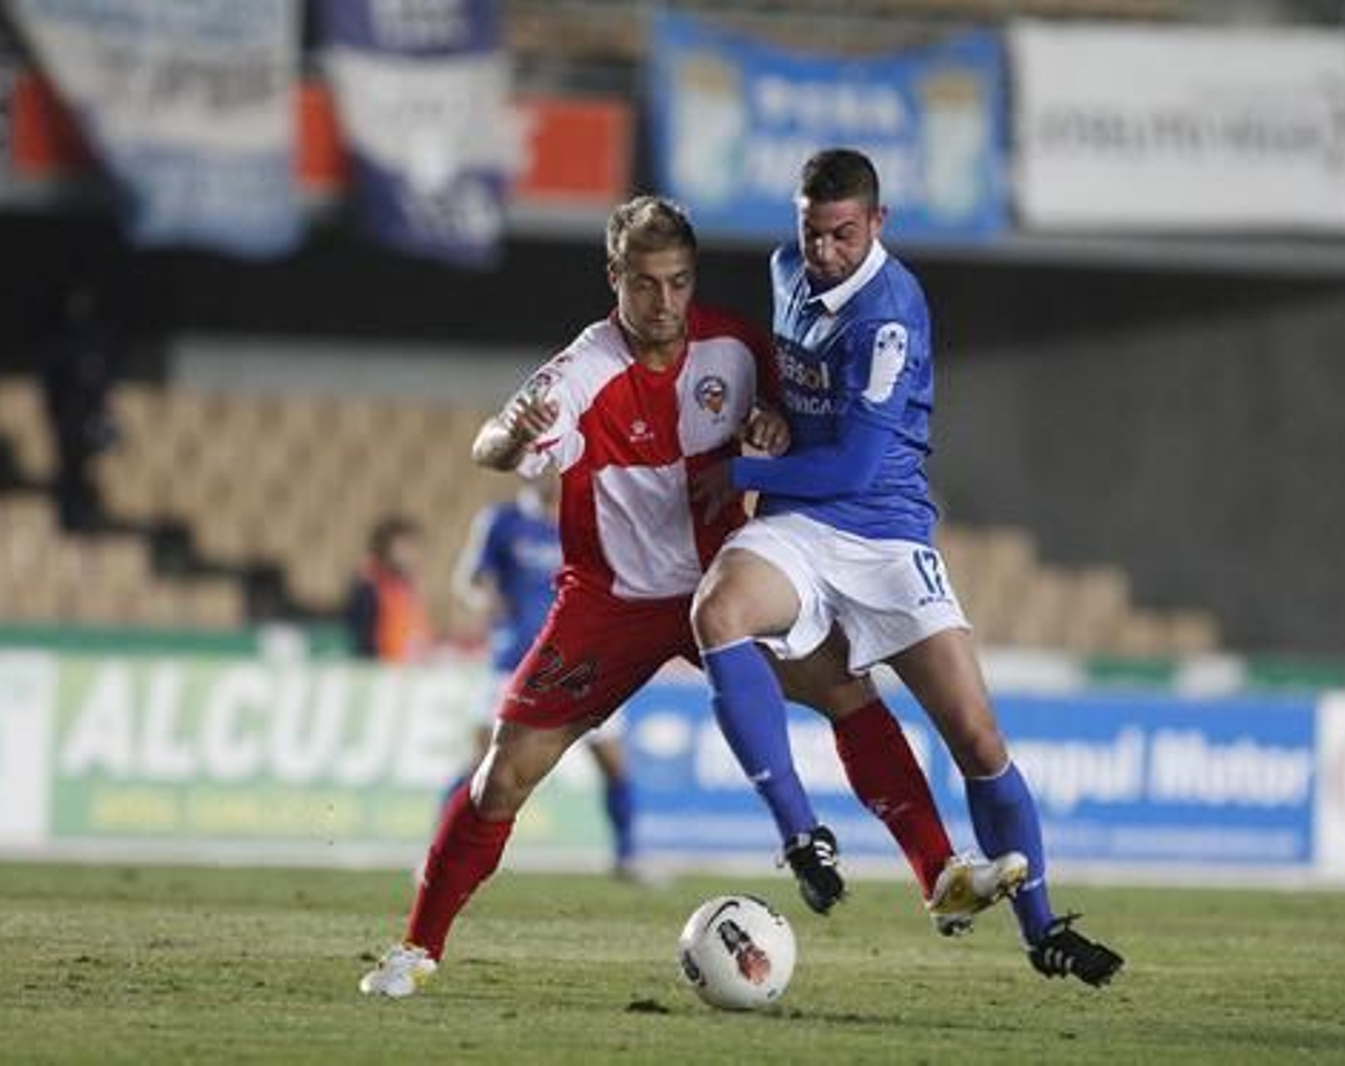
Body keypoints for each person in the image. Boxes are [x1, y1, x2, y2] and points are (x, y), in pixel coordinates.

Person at [359, 195, 1014, 999]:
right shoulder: (585, 368)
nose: (663, 302)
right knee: (505, 774)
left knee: (849, 691)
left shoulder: (735, 346)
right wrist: (513, 436)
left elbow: (795, 417)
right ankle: (417, 950)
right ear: (614, 278)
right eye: (644, 284)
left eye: (677, 282)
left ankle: (939, 871)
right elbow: (494, 443)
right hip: (613, 603)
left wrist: (772, 424)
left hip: (726, 585)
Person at [690, 148, 1125, 987]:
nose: (824, 252)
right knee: (720, 611)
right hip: (797, 527)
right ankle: (799, 832)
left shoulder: (890, 312)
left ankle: (1043, 931)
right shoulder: (787, 271)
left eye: (843, 235)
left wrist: (740, 469)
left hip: (884, 533)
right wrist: (769, 419)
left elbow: (854, 469)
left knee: (978, 737)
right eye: (812, 233)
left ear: (877, 222)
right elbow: (795, 394)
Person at [449, 473, 646, 882]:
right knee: (482, 765)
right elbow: (469, 579)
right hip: (512, 664)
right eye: (544, 466)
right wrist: (485, 599)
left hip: (579, 665)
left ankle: (627, 856)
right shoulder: (501, 521)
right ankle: (440, 854)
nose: (553, 476)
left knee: (613, 764)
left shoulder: (589, 521)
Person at [40, 282, 119, 532]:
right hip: (70, 417)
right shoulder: (62, 341)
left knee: (94, 462)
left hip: (91, 414)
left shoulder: (100, 337)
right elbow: (52, 379)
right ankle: (72, 515)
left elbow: (106, 377)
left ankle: (89, 511)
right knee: (71, 466)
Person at [345, 515, 435, 663]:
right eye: (405, 547)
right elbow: (362, 638)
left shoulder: (406, 587)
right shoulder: (368, 586)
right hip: (381, 671)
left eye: (413, 547)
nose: (411, 554)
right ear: (385, 548)